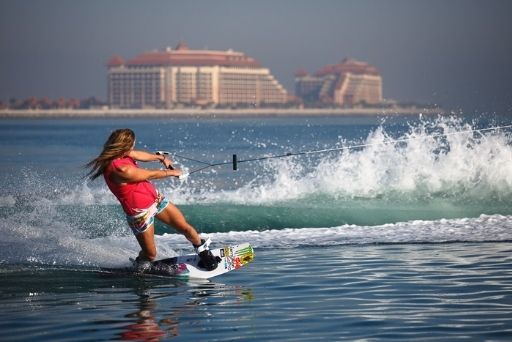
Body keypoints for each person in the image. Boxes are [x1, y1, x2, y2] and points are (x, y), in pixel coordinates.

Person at [85, 128, 219, 271]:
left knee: (186, 228)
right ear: (125, 145)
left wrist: (160, 158)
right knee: (150, 254)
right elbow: (149, 174)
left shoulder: (124, 154)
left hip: (156, 200)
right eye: (133, 144)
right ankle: (138, 266)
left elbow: (139, 155)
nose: (134, 147)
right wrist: (172, 172)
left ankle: (203, 251)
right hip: (140, 214)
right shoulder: (121, 170)